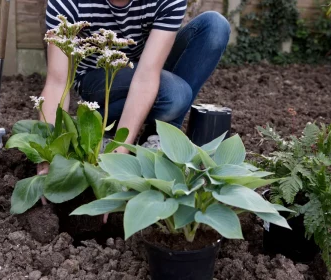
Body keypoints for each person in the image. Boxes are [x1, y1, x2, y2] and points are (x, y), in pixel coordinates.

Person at [37, 0, 230, 175]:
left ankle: (161, 137)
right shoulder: (68, 2)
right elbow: (56, 82)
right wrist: (50, 154)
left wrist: (119, 154)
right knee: (175, 95)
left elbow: (146, 76)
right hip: (96, 81)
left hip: (145, 70)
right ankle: (103, 129)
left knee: (215, 26)